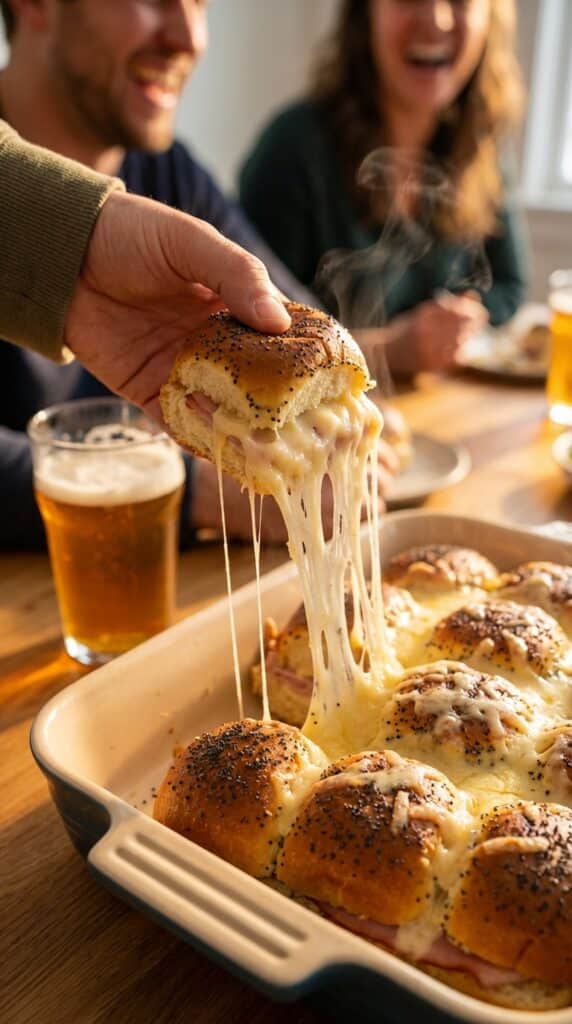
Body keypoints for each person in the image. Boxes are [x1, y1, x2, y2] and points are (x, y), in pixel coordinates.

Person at [0, 0, 396, 547]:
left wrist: (336, 415)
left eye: (200, 3)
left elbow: (284, 315)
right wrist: (195, 490)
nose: (189, 37)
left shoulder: (169, 170)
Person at [239, 0, 528, 378]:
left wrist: (463, 318)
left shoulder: (477, 150)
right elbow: (255, 341)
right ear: (365, 15)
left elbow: (509, 285)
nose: (436, 19)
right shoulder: (294, 150)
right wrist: (392, 350)